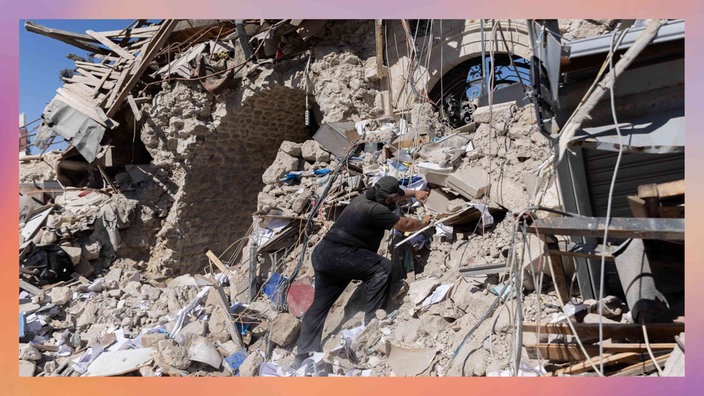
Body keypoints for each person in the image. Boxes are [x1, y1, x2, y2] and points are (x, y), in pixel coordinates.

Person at [292, 175, 430, 368]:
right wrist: (423, 222)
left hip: (325, 255)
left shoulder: (367, 197)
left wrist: (415, 193)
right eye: (393, 197)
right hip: (340, 255)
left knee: (320, 305)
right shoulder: (375, 210)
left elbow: (397, 195)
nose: (396, 199)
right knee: (381, 269)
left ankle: (302, 354)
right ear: (387, 199)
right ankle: (372, 321)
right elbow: (405, 225)